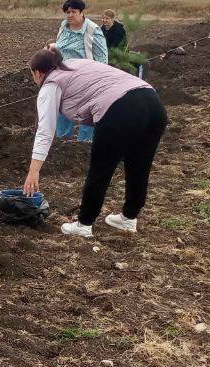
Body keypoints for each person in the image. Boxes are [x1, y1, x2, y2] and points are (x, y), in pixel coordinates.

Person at [23, 48, 168, 238]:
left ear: (37, 73)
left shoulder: (50, 84)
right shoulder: (74, 63)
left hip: (120, 109)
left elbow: (45, 131)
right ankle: (129, 218)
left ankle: (84, 224)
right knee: (139, 166)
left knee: (100, 169)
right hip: (153, 103)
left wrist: (34, 171)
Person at [50, 0, 108, 143]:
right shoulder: (64, 26)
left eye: (73, 12)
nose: (70, 15)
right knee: (63, 110)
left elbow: (102, 58)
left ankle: (84, 146)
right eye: (67, 12)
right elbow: (61, 46)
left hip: (86, 78)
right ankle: (62, 142)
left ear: (81, 12)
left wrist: (100, 81)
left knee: (87, 114)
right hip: (63, 77)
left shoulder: (92, 30)